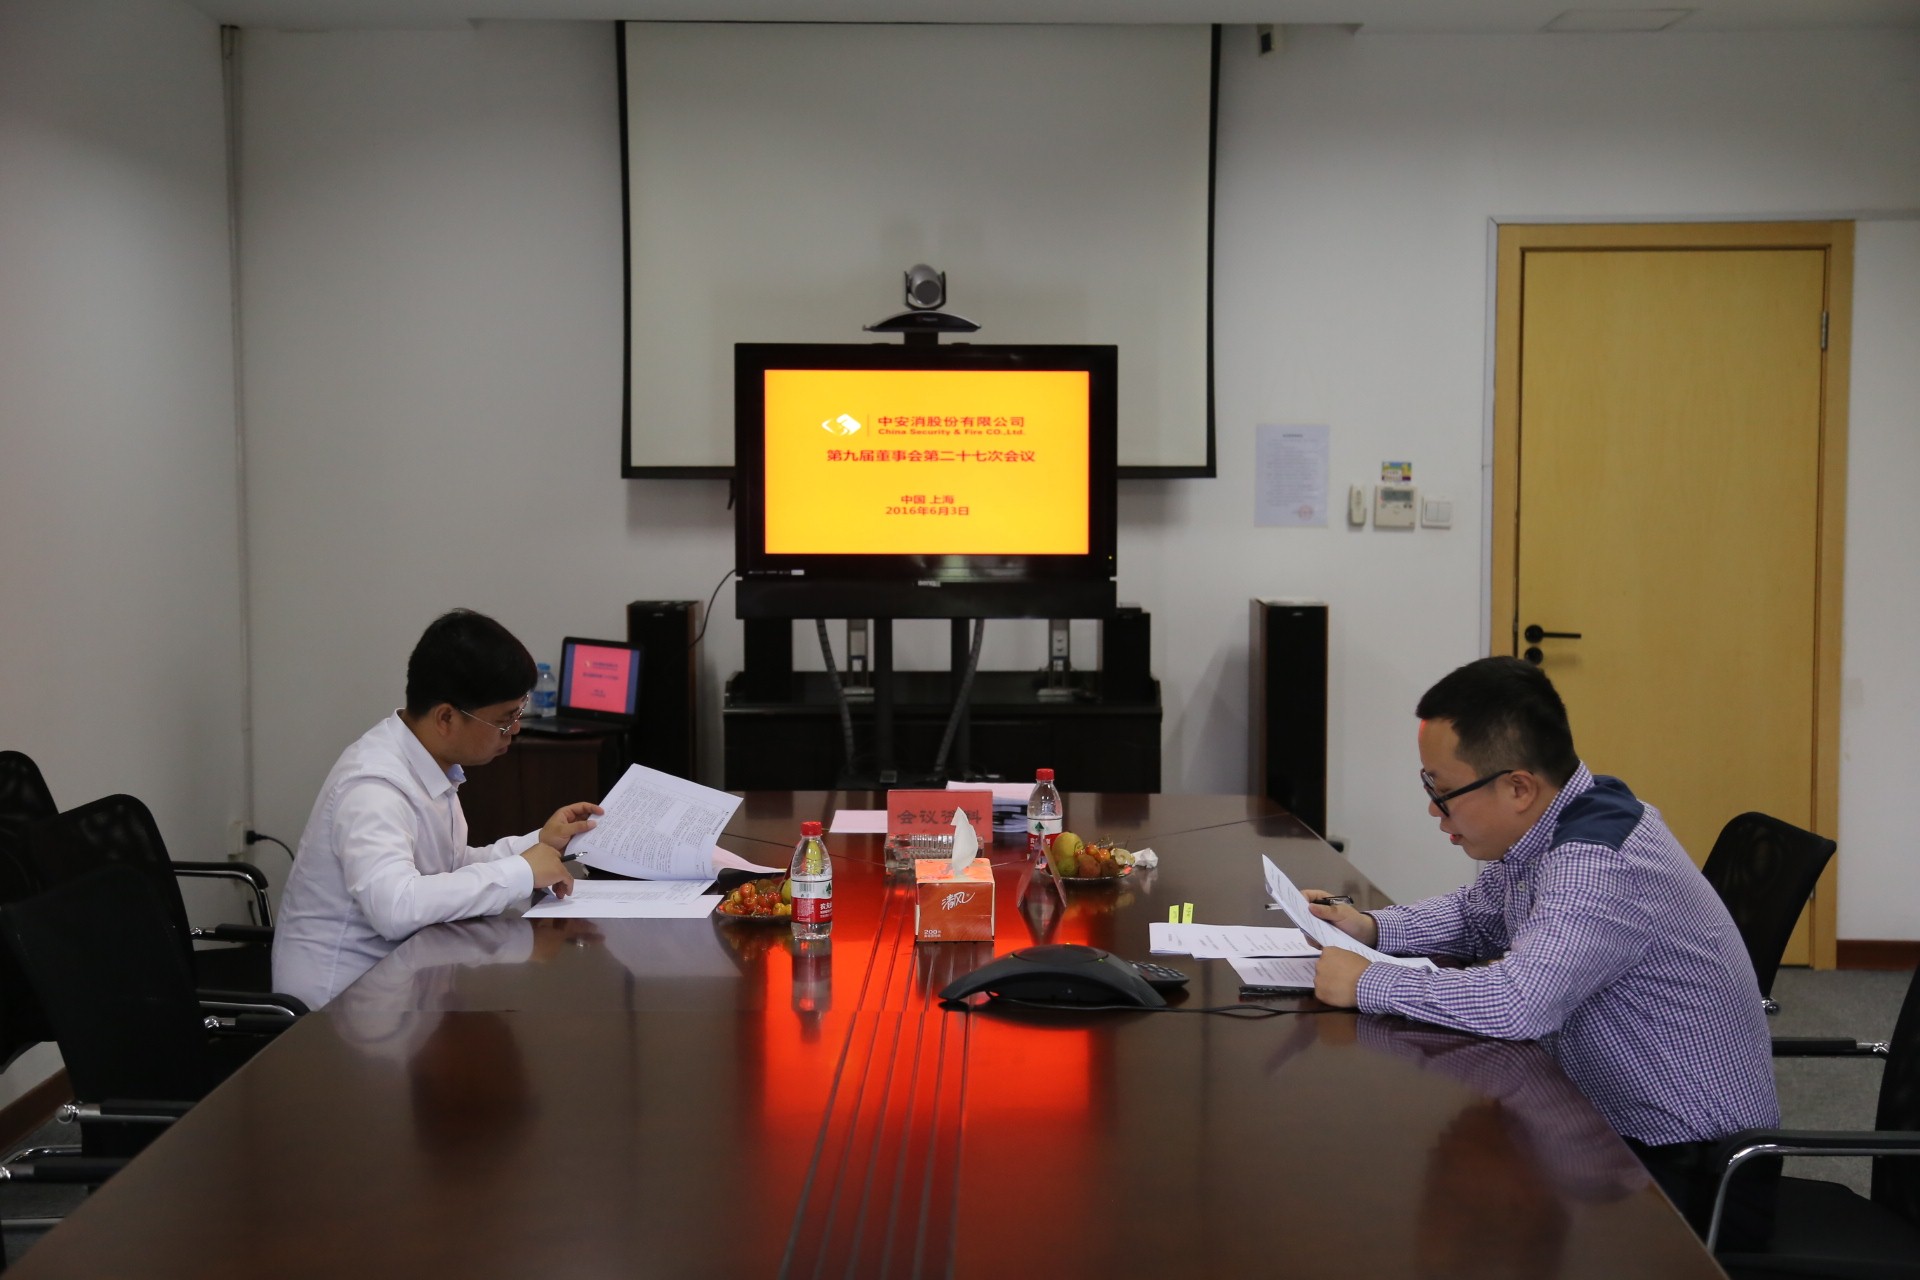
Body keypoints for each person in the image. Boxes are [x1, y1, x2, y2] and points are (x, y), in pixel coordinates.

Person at [1307, 655, 1779, 1245]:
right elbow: (1477, 917)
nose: (1433, 808)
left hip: (1688, 1170)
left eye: (1444, 791)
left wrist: (1367, 983)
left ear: (1518, 787)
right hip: (1607, 1126)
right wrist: (1370, 929)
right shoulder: (1562, 816)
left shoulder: (1597, 861)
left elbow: (1518, 1004)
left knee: (1383, 1185)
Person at [271, 609, 601, 1010]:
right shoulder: (374, 786)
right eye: (505, 719)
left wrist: (540, 844)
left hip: (402, 983)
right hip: (338, 1008)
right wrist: (521, 871)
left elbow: (446, 869)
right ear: (446, 717)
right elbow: (396, 906)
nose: (515, 729)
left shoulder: (428, 762)